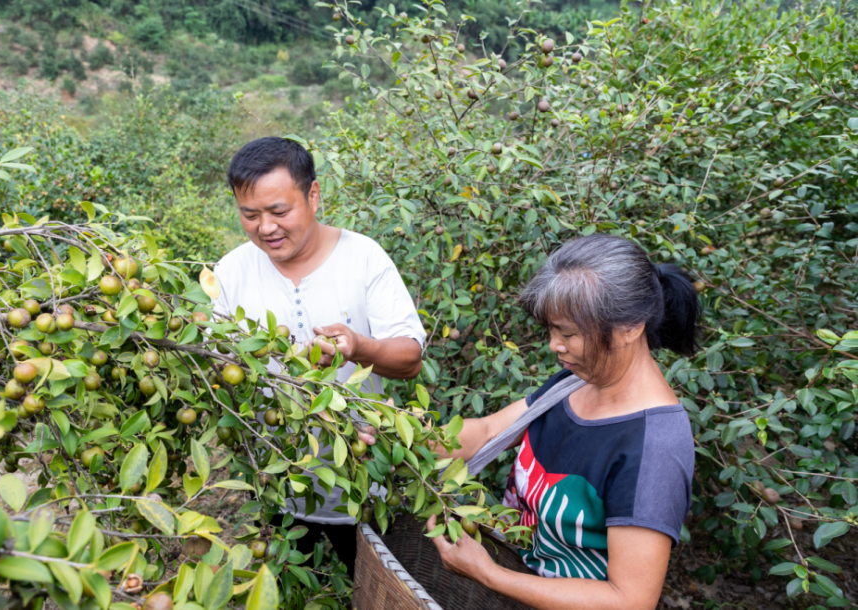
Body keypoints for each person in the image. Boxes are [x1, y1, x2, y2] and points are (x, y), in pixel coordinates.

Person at [425, 234, 698, 610]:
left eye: (568, 333)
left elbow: (630, 600)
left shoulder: (654, 448)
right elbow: (490, 432)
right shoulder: (574, 382)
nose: (555, 345)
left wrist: (490, 575)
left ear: (631, 327)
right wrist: (404, 433)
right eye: (552, 330)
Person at [213, 136, 426, 576]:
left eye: (278, 212)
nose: (265, 228)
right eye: (249, 215)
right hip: (277, 478)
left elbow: (409, 358)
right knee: (291, 585)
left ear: (313, 195)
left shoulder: (363, 257)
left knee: (376, 590)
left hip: (363, 483)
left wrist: (358, 346)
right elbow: (217, 365)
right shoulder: (231, 270)